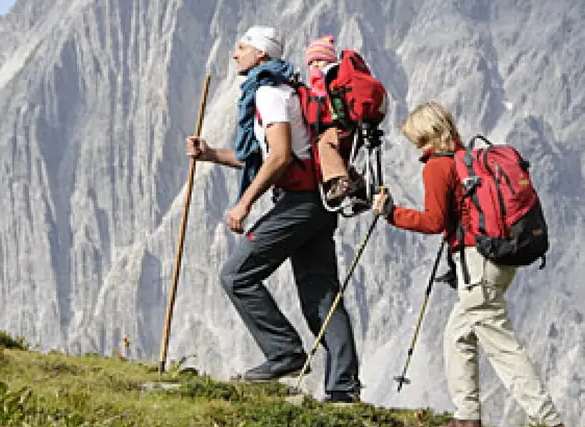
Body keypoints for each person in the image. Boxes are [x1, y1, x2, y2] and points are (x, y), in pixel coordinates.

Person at [185, 25, 362, 402]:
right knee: (322, 298)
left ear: (261, 55)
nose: (235, 54)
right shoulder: (286, 90)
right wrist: (212, 154)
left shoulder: (268, 93)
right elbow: (268, 156)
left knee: (236, 275)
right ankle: (343, 390)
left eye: (242, 47)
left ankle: (284, 353)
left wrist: (244, 202)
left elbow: (279, 156)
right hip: (318, 204)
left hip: (298, 204)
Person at [371, 101, 565, 427]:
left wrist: (391, 213)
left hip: (478, 263)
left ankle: (547, 420)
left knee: (501, 346)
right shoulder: (465, 161)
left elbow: (434, 221)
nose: (415, 147)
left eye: (415, 140)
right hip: (499, 260)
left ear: (424, 136)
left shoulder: (437, 167)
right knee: (457, 335)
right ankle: (467, 417)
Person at [304, 35, 364, 204]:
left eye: (320, 60)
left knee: (325, 146)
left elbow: (323, 103)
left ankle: (340, 181)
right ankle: (359, 187)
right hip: (349, 128)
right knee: (338, 159)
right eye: (311, 62)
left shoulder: (329, 77)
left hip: (338, 127)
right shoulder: (336, 77)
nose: (315, 65)